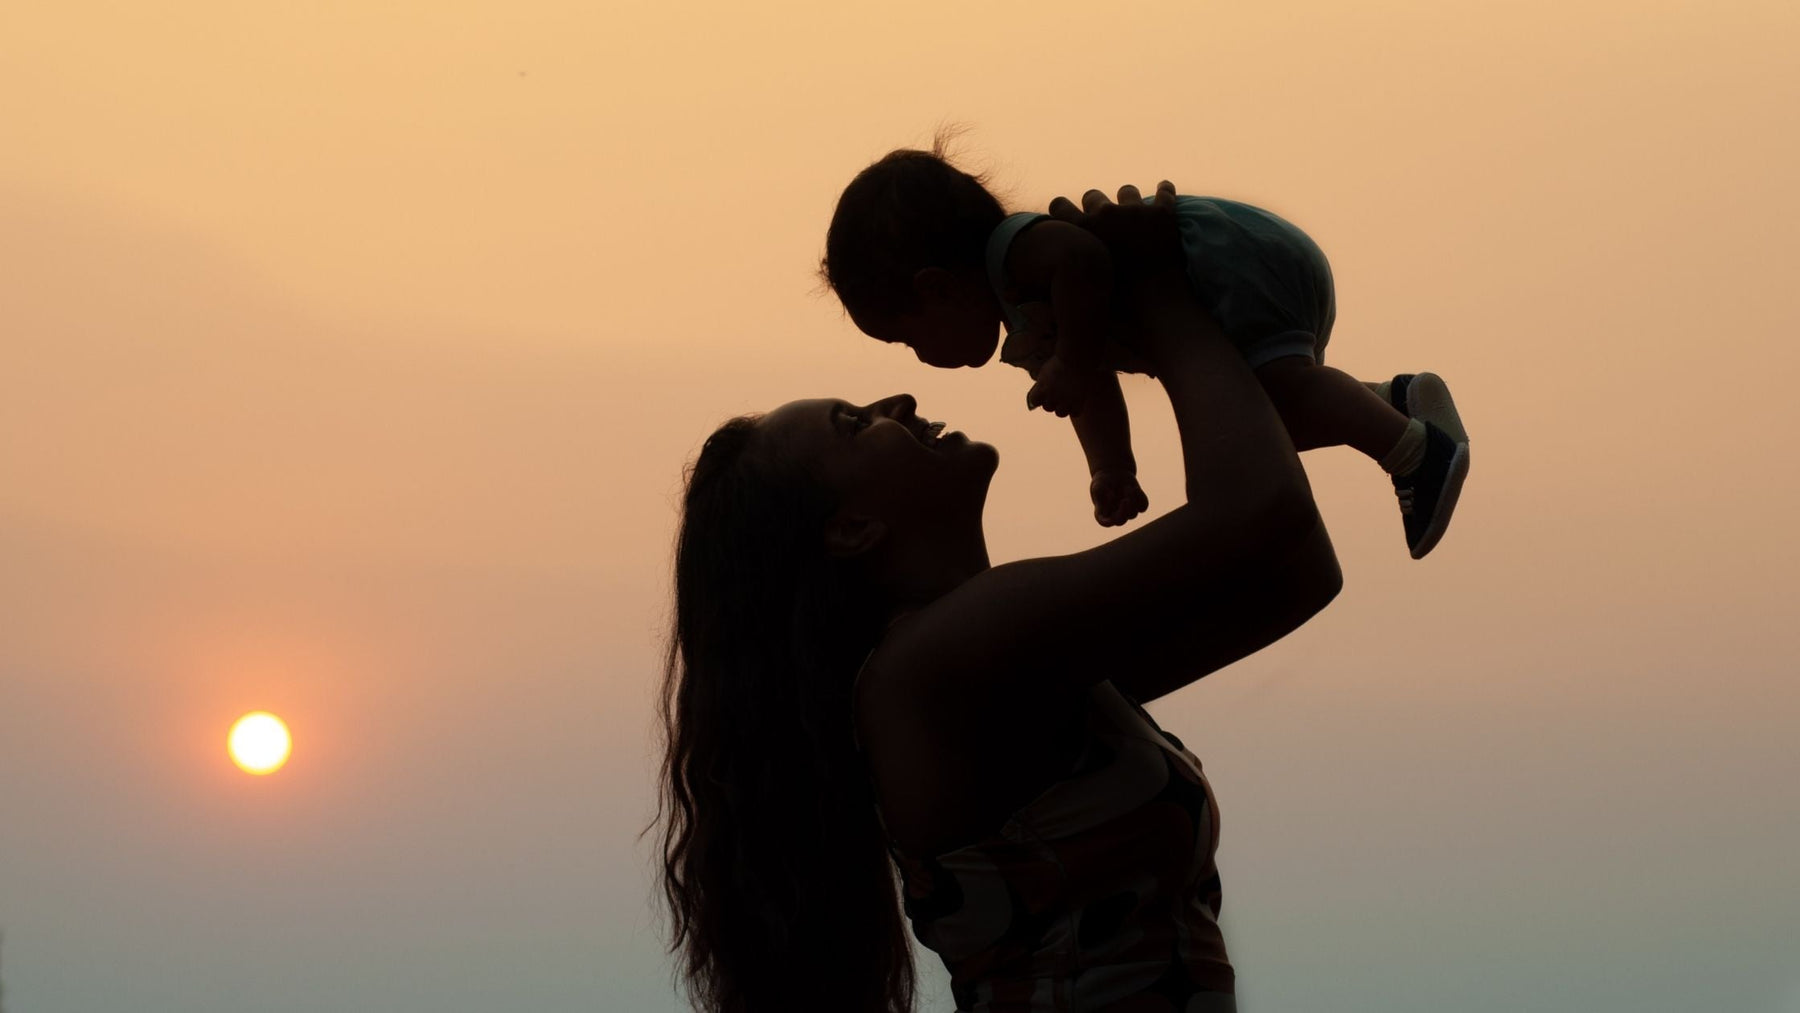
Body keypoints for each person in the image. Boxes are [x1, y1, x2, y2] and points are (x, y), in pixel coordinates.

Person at [656, 187, 1343, 1012]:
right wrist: (1160, 293)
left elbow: (1297, 571)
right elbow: (1262, 511)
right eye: (854, 421)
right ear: (852, 528)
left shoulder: (1013, 662)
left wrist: (1136, 324)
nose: (898, 401)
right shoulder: (944, 661)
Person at [821, 142, 1471, 559]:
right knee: (1260, 424)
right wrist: (1111, 465)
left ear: (934, 290)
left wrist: (1073, 361)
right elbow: (1093, 391)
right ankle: (1394, 401)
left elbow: (1085, 262)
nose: (917, 359)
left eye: (907, 337)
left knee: (1278, 401)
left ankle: (1415, 450)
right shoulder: (1026, 315)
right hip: (1233, 278)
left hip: (1232, 268)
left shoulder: (1019, 252)